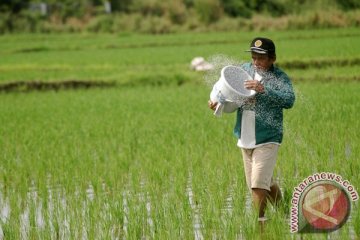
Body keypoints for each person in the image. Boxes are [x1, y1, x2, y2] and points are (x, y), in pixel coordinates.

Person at [208, 37, 295, 226]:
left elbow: (289, 100)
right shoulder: (244, 71)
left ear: (272, 59)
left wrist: (263, 90)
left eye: (261, 58)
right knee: (264, 183)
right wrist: (216, 102)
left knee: (257, 185)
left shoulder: (279, 77)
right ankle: (286, 213)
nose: (256, 62)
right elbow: (226, 93)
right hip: (245, 137)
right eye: (254, 57)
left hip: (268, 138)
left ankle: (259, 224)